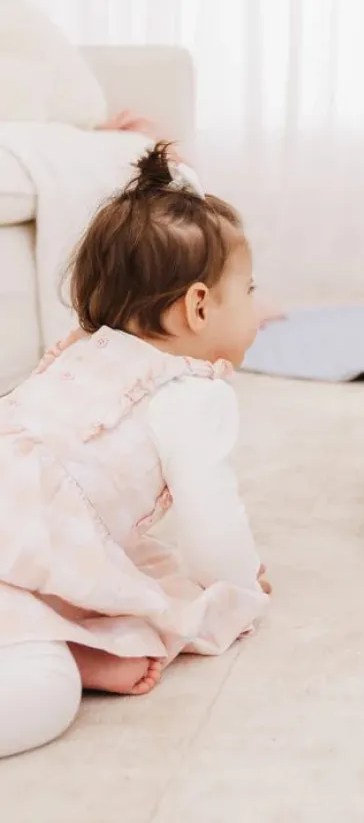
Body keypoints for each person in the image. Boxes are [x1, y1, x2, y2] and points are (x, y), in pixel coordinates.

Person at [0, 142, 270, 758]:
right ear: (200, 306)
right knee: (44, 691)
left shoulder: (81, 353)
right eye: (248, 290)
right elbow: (212, 523)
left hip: (14, 536)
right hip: (15, 550)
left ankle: (71, 638)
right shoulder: (191, 395)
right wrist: (235, 588)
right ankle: (67, 646)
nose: (258, 309)